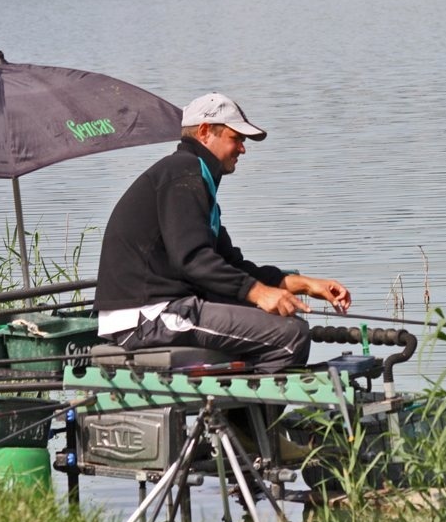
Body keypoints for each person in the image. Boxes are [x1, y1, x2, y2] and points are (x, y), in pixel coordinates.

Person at [94, 92, 351, 373]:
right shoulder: (183, 173)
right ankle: (248, 418)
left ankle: (233, 414)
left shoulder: (197, 179)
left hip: (168, 309)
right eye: (236, 138)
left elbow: (229, 265)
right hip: (147, 316)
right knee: (290, 337)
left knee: (287, 326)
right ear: (205, 132)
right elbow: (193, 259)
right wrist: (259, 294)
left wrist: (305, 285)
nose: (242, 149)